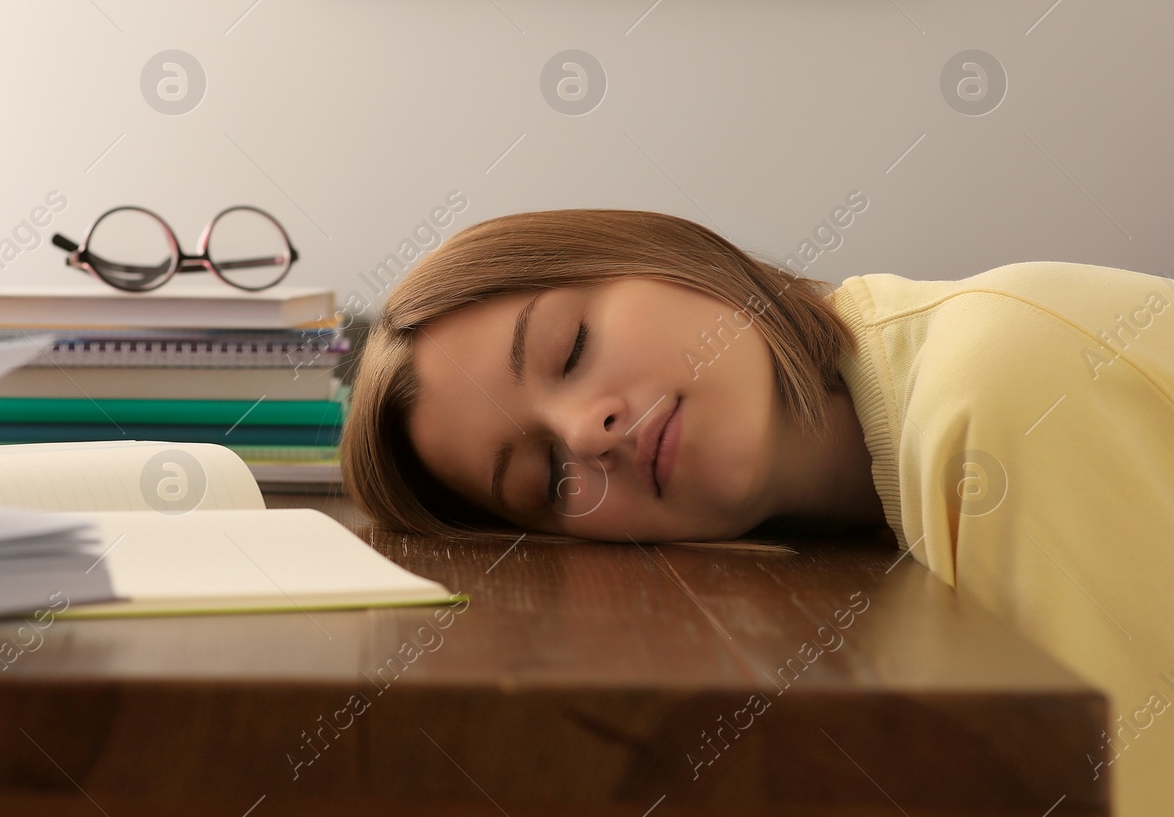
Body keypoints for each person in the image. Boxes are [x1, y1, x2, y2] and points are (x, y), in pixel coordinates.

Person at [343, 208, 1174, 815]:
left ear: (658, 253)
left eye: (570, 349)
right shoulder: (865, 493)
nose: (584, 432)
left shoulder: (996, 395)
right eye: (546, 477)